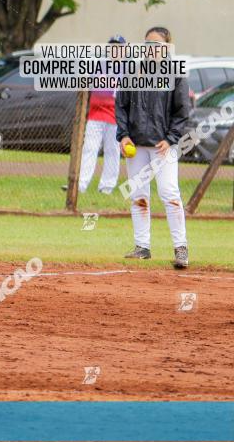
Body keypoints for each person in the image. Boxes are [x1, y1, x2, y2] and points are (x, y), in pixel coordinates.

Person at [116, 26, 190, 268]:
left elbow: (182, 111)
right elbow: (121, 106)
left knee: (169, 194)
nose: (151, 49)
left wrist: (170, 138)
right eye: (147, 44)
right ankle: (142, 247)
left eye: (156, 45)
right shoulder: (133, 72)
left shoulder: (176, 74)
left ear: (167, 47)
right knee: (139, 195)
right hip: (136, 145)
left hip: (162, 147)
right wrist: (123, 135)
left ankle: (181, 248)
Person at [78, 34, 126, 194]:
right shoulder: (98, 66)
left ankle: (107, 186)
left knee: (112, 151)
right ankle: (81, 184)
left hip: (116, 118)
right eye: (112, 47)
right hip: (95, 115)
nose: (115, 51)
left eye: (118, 48)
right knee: (89, 149)